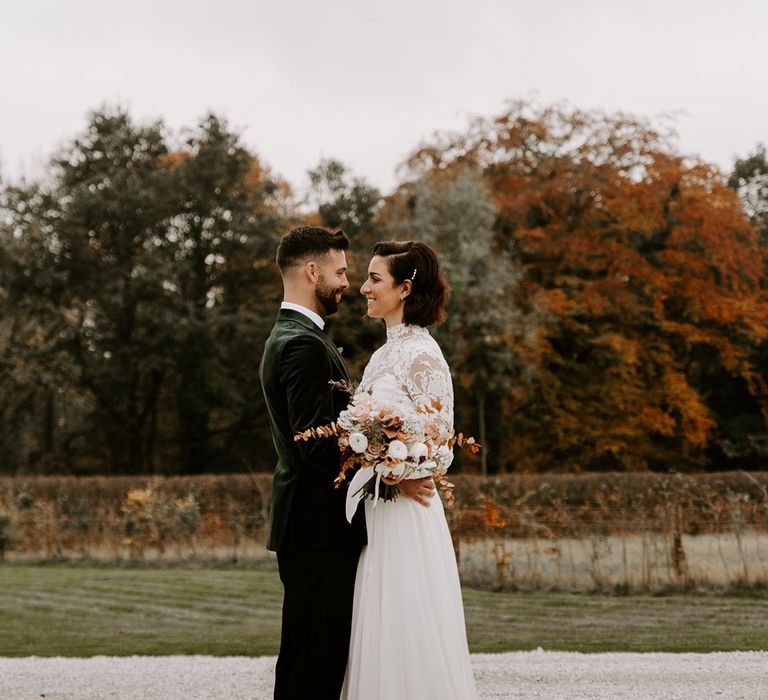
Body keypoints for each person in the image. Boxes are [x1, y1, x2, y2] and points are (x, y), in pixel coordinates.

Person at [259, 226, 435, 700]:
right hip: (317, 527)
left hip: (310, 526)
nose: (347, 283)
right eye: (340, 271)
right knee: (317, 660)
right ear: (312, 271)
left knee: (304, 653)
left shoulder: (294, 336)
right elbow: (314, 446)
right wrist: (391, 478)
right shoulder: (302, 345)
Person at [341, 240, 478, 700]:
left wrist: (393, 467)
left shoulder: (423, 355)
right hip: (378, 509)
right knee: (378, 619)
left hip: (407, 511)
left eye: (374, 279)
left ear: (404, 288)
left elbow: (442, 446)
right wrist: (367, 455)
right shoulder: (382, 356)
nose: (363, 287)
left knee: (406, 618)